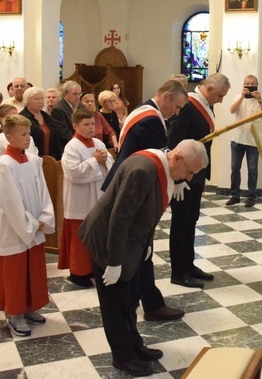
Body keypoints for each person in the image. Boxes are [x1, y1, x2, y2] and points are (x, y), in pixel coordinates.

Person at [79, 139, 207, 377]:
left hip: (131, 242)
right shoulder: (143, 170)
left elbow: (147, 211)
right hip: (108, 241)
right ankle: (123, 356)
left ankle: (135, 345)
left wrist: (146, 244)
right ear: (177, 158)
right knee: (115, 303)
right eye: (190, 172)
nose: (189, 178)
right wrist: (114, 262)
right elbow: (120, 218)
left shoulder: (163, 165)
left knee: (131, 296)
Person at [99, 79, 188, 323]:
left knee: (141, 250)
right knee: (138, 249)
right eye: (177, 107)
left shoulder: (142, 110)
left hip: (125, 184)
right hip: (131, 192)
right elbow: (155, 163)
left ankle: (147, 301)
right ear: (167, 97)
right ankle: (147, 304)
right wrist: (176, 179)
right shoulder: (151, 121)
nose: (176, 113)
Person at [0, 114, 55, 337]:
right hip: (15, 228)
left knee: (32, 268)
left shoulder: (32, 160)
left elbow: (43, 191)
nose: (28, 138)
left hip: (35, 224)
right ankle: (14, 313)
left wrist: (45, 217)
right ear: (9, 137)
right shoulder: (4, 164)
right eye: (23, 134)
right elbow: (10, 201)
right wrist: (29, 224)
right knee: (16, 271)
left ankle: (28, 307)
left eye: (29, 133)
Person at [167, 73, 230, 289]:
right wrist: (177, 179)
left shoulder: (205, 105)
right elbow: (174, 141)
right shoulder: (188, 106)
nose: (221, 100)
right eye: (220, 95)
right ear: (210, 89)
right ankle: (178, 271)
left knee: (191, 220)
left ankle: (189, 265)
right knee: (181, 222)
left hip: (196, 175)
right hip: (183, 176)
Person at [59, 109, 111, 287]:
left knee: (96, 235)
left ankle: (94, 269)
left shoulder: (98, 142)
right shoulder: (72, 146)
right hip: (80, 198)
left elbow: (109, 165)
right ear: (75, 126)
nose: (91, 128)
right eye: (86, 125)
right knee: (80, 236)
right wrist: (95, 161)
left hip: (98, 195)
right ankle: (78, 273)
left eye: (92, 124)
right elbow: (73, 173)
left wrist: (104, 161)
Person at [227, 75, 262, 207]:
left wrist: (260, 100)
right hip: (238, 138)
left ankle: (251, 196)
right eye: (247, 83)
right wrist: (242, 97)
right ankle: (235, 195)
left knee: (253, 170)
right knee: (235, 169)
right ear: (243, 84)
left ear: (257, 84)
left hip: (253, 140)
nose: (250, 86)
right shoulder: (238, 97)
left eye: (252, 83)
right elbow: (232, 110)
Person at [50, 80, 83, 160]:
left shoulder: (81, 107)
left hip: (80, 145)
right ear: (65, 94)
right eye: (75, 94)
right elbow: (64, 133)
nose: (78, 97)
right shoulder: (58, 109)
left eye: (79, 94)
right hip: (67, 149)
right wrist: (81, 145)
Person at [19, 87, 54, 157]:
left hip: (49, 158)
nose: (40, 101)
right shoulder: (22, 118)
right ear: (27, 101)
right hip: (31, 156)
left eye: (42, 99)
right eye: (36, 99)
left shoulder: (47, 117)